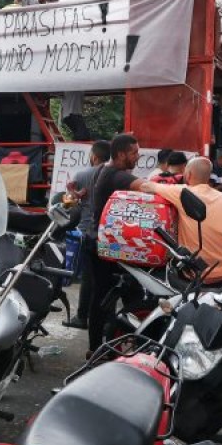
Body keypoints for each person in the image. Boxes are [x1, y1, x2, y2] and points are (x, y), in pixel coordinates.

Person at [86, 133, 146, 354]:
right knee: (117, 296)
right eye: (134, 152)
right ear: (121, 154)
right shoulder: (116, 175)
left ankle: (101, 346)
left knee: (109, 296)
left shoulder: (104, 169)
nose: (137, 156)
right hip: (104, 246)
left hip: (103, 242)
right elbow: (149, 188)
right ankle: (99, 348)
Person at [140, 157, 222, 284]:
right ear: (208, 176)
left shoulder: (182, 192)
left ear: (188, 174)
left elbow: (145, 186)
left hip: (198, 273)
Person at [63, 140, 111, 330]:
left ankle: (82, 316)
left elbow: (68, 204)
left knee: (89, 277)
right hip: (109, 233)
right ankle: (106, 319)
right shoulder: (115, 175)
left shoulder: (82, 175)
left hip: (86, 231)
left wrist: (70, 193)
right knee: (106, 278)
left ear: (94, 156)